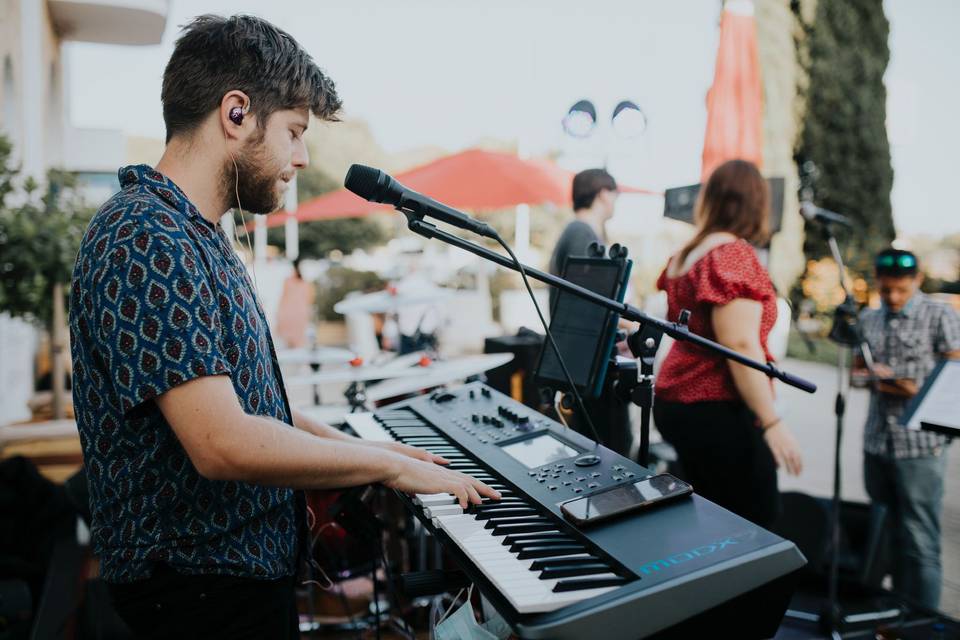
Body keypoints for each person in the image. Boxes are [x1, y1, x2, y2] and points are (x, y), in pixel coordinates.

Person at [68, 15, 498, 638]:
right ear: (235, 113)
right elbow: (223, 443)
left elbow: (257, 408)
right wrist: (389, 470)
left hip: (228, 586)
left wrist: (384, 452)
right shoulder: (145, 237)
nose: (300, 157)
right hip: (199, 596)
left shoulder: (193, 236)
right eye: (294, 132)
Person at [652, 159, 802, 529]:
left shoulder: (687, 253)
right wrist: (771, 421)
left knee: (707, 521)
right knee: (755, 528)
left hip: (676, 400)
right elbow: (739, 344)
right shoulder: (731, 253)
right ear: (755, 203)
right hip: (715, 407)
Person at [852, 248, 959, 610]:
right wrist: (871, 375)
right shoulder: (869, 317)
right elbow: (856, 370)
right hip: (877, 442)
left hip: (921, 447)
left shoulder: (940, 314)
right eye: (886, 291)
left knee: (920, 540)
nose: (893, 298)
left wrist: (904, 384)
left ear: (917, 281)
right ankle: (894, 611)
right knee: (886, 533)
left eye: (901, 290)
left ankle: (925, 621)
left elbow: (953, 377)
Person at [546, 168, 633, 456]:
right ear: (603, 194)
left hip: (583, 362)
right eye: (615, 194)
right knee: (611, 450)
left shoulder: (581, 232)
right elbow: (589, 305)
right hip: (588, 366)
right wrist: (629, 323)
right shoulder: (582, 233)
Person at [275, 258, 315, 349]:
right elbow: (310, 299)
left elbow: (283, 297)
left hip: (288, 312)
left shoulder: (288, 281)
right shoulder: (306, 283)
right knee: (299, 342)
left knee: (288, 343)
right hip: (301, 312)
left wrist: (278, 312)